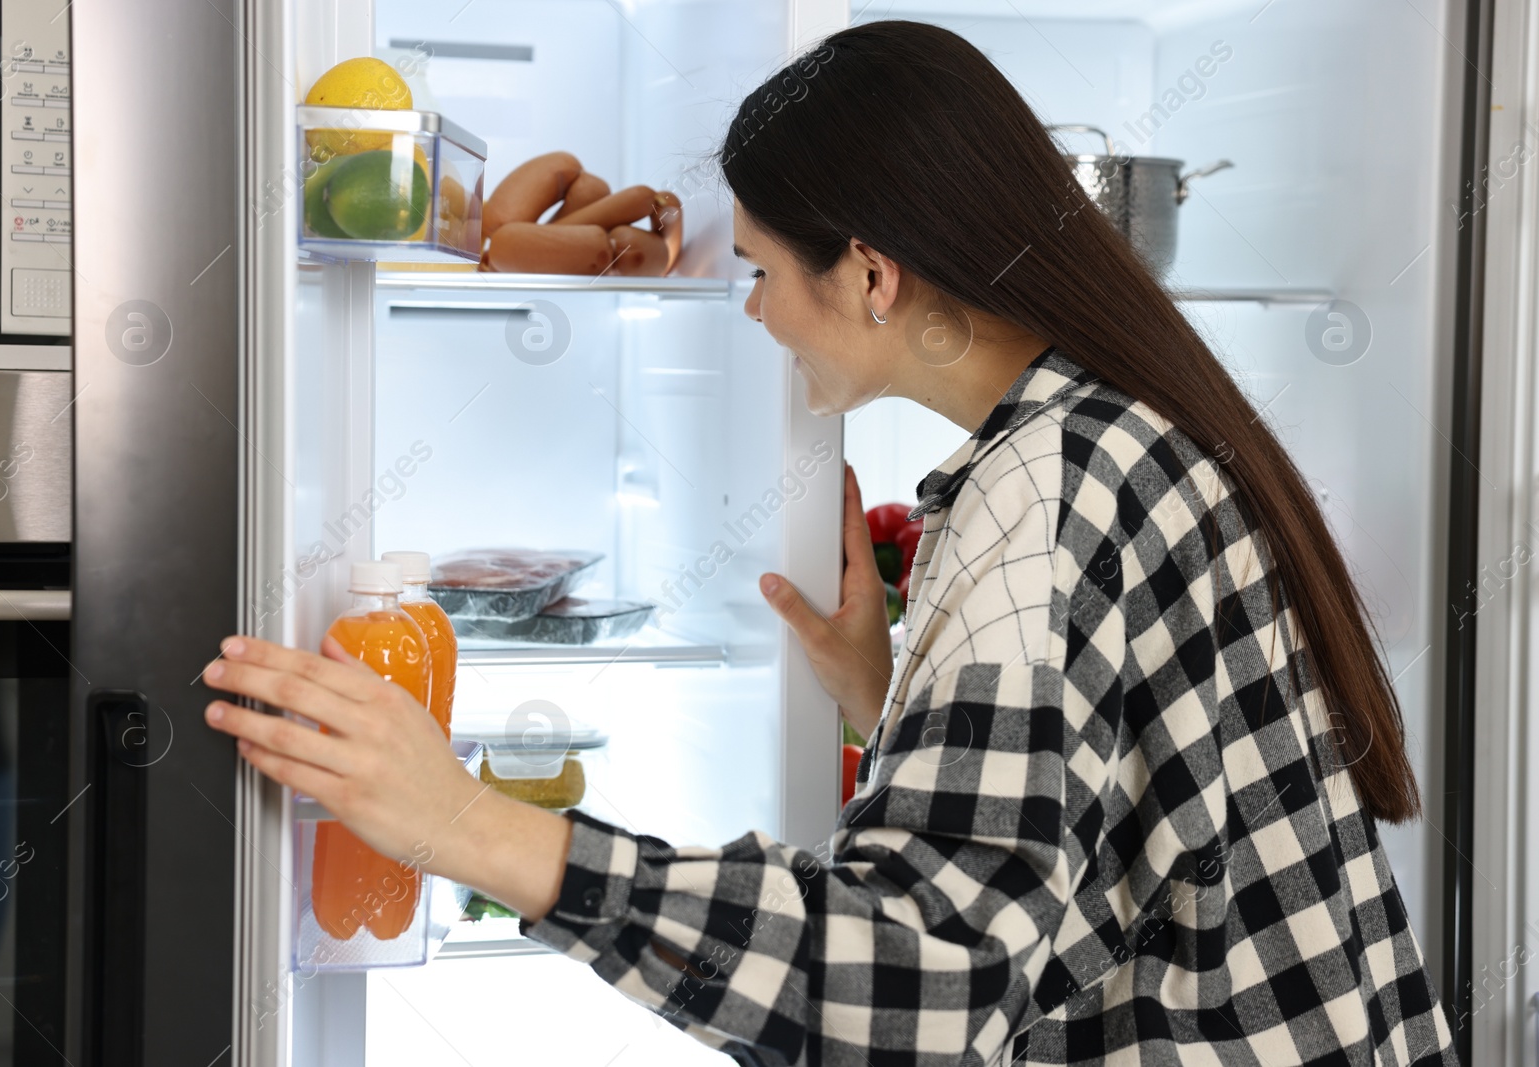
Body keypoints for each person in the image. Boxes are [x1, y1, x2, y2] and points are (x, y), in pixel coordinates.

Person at [202, 20, 1456, 1066]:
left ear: (869, 274)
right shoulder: (1115, 425)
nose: (750, 308)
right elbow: (1130, 812)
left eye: (758, 270)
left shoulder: (1046, 492)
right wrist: (897, 692)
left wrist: (471, 826)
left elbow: (929, 980)